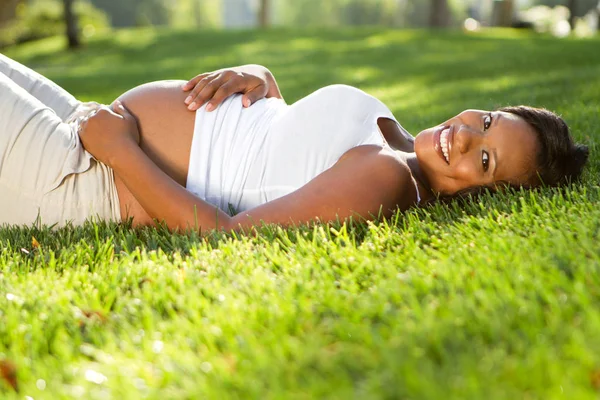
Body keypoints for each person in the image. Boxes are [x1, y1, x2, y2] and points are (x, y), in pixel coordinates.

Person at [0, 53, 588, 232]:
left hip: (84, 176)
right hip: (89, 129)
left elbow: (228, 236)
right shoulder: (396, 137)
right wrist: (260, 79)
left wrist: (117, 149)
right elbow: (285, 147)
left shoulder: (389, 178)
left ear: (479, 195)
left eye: (484, 160)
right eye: (485, 121)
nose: (464, 137)